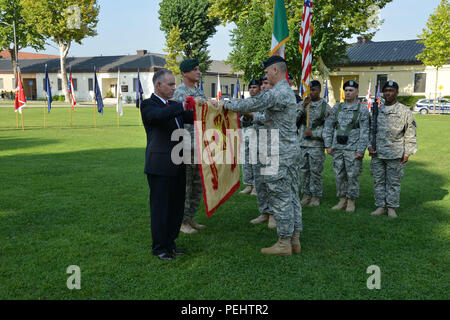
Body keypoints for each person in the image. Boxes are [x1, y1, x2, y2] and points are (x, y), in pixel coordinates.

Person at [220, 56, 302, 256]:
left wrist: (225, 104)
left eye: (266, 72)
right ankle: (294, 239)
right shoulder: (287, 93)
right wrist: (251, 116)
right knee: (291, 196)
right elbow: (266, 118)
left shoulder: (277, 93)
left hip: (278, 153)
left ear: (275, 70)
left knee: (280, 197)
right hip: (289, 151)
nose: (265, 76)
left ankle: (284, 243)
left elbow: (250, 104)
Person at [141, 69, 195, 261]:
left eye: (174, 84)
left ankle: (171, 243)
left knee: (176, 207)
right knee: (161, 208)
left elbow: (193, 117)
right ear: (158, 85)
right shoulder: (148, 105)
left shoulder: (173, 106)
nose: (174, 88)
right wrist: (182, 105)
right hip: (160, 166)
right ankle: (159, 247)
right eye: (170, 85)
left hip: (178, 163)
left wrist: (208, 107)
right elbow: (158, 116)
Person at [369, 81, 418, 218]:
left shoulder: (404, 111)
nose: (388, 93)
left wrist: (407, 152)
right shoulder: (377, 109)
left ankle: (391, 207)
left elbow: (410, 133)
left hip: (396, 153)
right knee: (378, 181)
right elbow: (370, 130)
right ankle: (380, 206)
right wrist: (369, 145)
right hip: (377, 153)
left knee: (393, 182)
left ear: (397, 93)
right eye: (386, 91)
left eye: (391, 90)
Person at [323, 80, 370, 213]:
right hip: (337, 148)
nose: (348, 92)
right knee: (339, 175)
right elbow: (328, 127)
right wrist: (328, 145)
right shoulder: (337, 108)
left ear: (357, 92)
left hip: (353, 149)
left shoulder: (362, 110)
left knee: (352, 175)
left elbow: (365, 131)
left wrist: (361, 150)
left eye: (351, 90)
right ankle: (342, 200)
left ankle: (351, 201)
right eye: (346, 90)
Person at [172, 59, 207, 235]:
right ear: (184, 73)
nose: (198, 72)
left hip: (200, 145)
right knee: (185, 186)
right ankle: (182, 221)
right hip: (185, 146)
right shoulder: (179, 93)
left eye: (198, 69)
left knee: (197, 185)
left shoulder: (199, 91)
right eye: (194, 70)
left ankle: (191, 216)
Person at [297, 80, 331, 207]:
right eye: (309, 90)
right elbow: (292, 121)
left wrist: (314, 133)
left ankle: (316, 196)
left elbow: (329, 129)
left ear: (319, 90)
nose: (311, 93)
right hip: (302, 144)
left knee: (315, 172)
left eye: (314, 90)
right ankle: (306, 195)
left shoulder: (325, 107)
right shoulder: (303, 104)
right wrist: (302, 107)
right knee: (304, 171)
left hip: (316, 145)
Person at [239, 79, 260, 196]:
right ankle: (248, 184)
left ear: (260, 88)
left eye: (255, 87)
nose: (252, 90)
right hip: (246, 132)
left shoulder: (262, 102)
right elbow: (242, 119)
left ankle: (257, 186)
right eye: (251, 87)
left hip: (256, 133)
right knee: (246, 160)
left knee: (255, 160)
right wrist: (245, 117)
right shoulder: (246, 102)